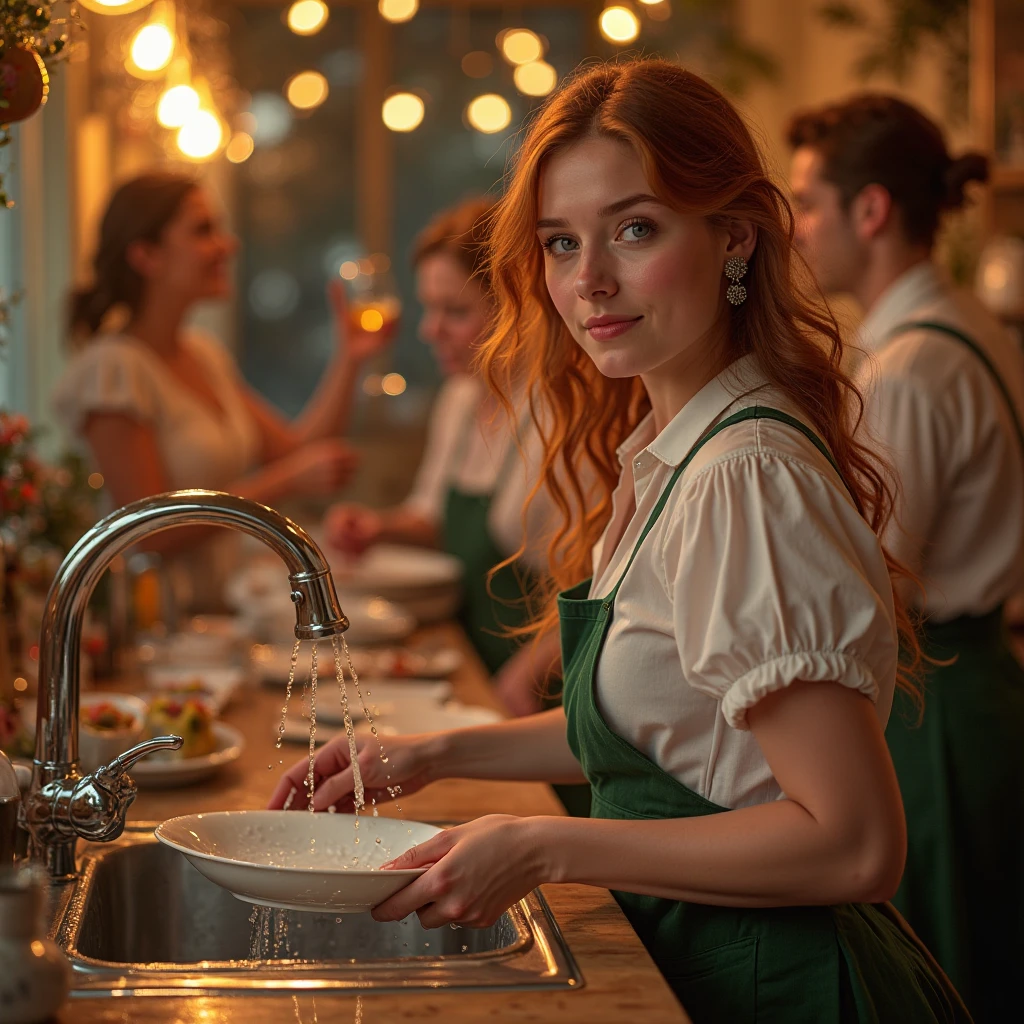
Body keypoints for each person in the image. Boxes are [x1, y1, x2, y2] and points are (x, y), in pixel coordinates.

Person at [273, 60, 969, 1021]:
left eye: (634, 229)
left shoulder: (744, 475)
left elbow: (853, 843)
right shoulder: (673, 452)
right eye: (561, 243)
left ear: (733, 238)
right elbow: (664, 732)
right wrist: (435, 754)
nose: (588, 279)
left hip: (778, 978)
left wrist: (547, 844)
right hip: (704, 951)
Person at [789, 94, 1024, 1022]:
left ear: (872, 211)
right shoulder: (961, 321)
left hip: (938, 707)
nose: (798, 230)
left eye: (810, 204)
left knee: (945, 977)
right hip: (972, 688)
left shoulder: (911, 367)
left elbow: (871, 582)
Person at [53, 172, 390, 609]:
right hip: (157, 629)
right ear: (146, 255)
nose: (228, 246)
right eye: (203, 231)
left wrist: (351, 358)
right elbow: (150, 534)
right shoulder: (113, 370)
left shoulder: (204, 356)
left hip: (221, 619)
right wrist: (283, 483)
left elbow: (299, 451)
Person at [324, 199, 568, 715]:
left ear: (519, 304)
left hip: (539, 697)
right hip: (467, 668)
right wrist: (378, 528)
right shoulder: (460, 399)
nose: (429, 330)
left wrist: (528, 675)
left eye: (454, 312)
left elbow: (603, 589)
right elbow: (433, 519)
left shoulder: (557, 412)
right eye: (429, 308)